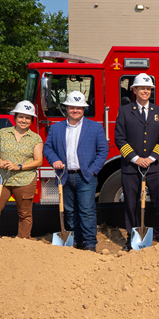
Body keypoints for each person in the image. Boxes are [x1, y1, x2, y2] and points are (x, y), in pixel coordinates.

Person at [43, 92, 108, 251]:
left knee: (87, 211)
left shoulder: (95, 127)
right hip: (65, 176)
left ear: (84, 109)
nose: (75, 110)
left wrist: (93, 170)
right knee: (70, 212)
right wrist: (54, 160)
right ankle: (76, 241)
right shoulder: (56, 128)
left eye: (79, 108)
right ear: (66, 108)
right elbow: (47, 147)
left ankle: (90, 244)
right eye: (72, 107)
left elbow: (103, 150)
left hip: (85, 176)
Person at [115, 73, 159, 250]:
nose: (145, 91)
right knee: (131, 203)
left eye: (148, 89)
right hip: (131, 167)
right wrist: (136, 159)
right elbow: (120, 138)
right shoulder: (124, 111)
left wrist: (152, 158)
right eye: (142, 88)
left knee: (158, 201)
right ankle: (132, 237)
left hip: (153, 167)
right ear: (134, 90)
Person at [0, 100, 43, 239]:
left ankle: (23, 243)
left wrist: (19, 167)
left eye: (27, 117)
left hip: (25, 180)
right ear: (15, 117)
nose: (24, 120)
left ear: (31, 120)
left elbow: (38, 161)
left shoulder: (36, 138)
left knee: (25, 215)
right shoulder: (2, 133)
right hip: (2, 180)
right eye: (21, 116)